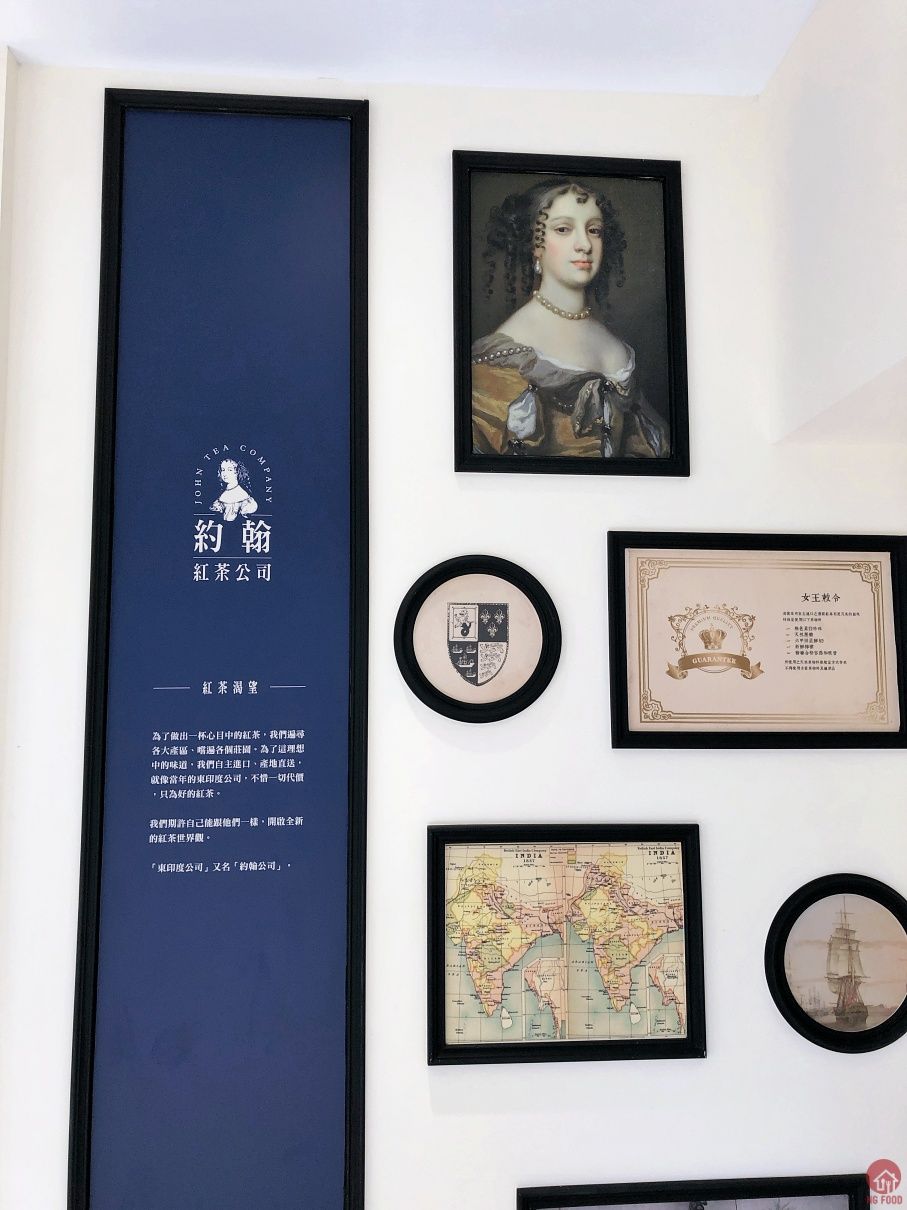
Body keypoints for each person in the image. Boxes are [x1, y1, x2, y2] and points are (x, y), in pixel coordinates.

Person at [471, 178, 668, 459]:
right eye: (563, 229)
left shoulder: (615, 345)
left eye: (594, 230)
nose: (584, 244)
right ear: (535, 244)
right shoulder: (508, 351)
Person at [209, 458, 258, 522]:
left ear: (237, 472)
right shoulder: (222, 495)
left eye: (230, 470)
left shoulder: (243, 496)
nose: (225, 473)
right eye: (223, 470)